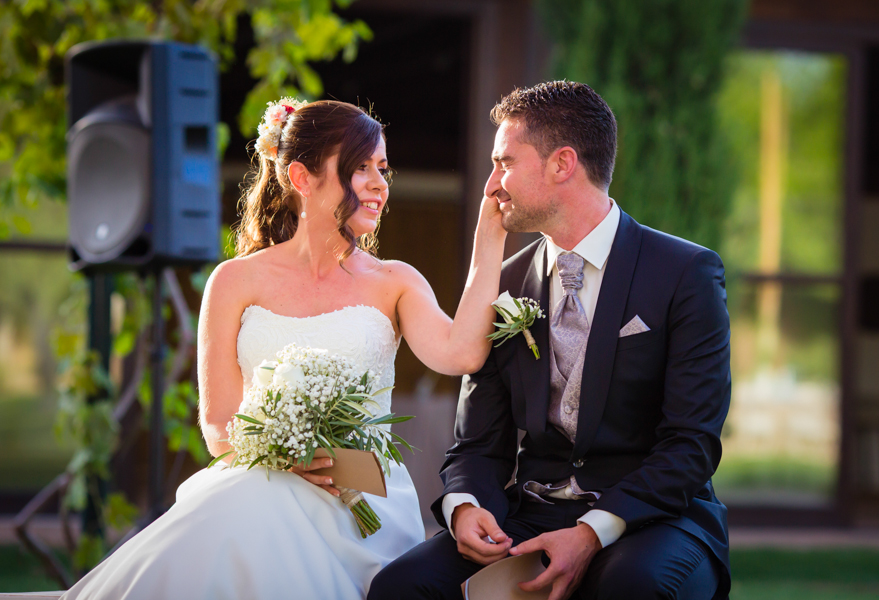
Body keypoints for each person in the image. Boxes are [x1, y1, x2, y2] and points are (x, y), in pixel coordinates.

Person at [61, 99, 507, 599]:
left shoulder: (395, 282)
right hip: (259, 480)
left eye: (381, 168)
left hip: (361, 494)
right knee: (240, 513)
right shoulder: (233, 281)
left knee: (247, 516)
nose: (380, 183)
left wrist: (490, 238)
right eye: (360, 168)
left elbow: (462, 353)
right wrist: (288, 455)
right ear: (301, 176)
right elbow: (218, 426)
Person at [368, 81, 731, 600]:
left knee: (630, 587)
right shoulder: (506, 284)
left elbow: (691, 443)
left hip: (656, 518)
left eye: (505, 163)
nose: (492, 184)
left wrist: (591, 531)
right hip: (531, 511)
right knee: (402, 586)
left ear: (562, 164)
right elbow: (476, 443)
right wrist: (466, 507)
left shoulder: (684, 272)